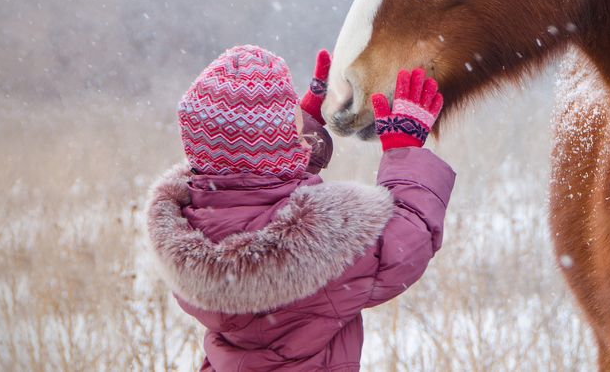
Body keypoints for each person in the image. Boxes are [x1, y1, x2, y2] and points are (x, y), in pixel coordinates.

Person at [145, 44, 454, 371]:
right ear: (285, 147)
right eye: (295, 129)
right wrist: (404, 153)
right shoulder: (317, 250)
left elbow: (248, 184)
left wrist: (297, 127)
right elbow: (403, 243)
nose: (304, 137)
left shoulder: (190, 233)